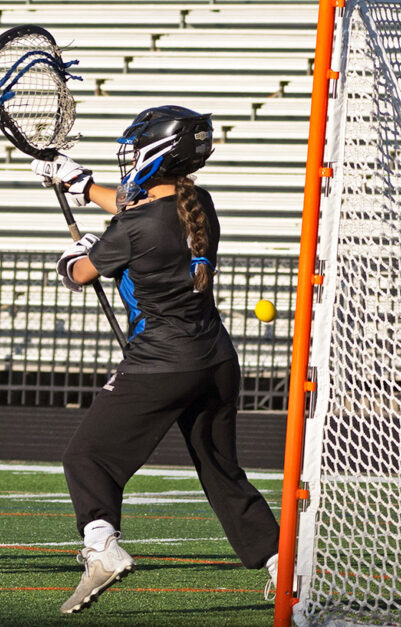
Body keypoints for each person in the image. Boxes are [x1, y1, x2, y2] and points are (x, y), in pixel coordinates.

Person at [31, 105, 280, 613]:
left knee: (86, 457)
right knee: (221, 471)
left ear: (155, 153)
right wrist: (78, 182)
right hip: (215, 362)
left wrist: (78, 249)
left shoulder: (134, 226)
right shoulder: (199, 203)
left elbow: (79, 273)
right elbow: (134, 209)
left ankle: (101, 548)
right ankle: (282, 564)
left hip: (160, 365)